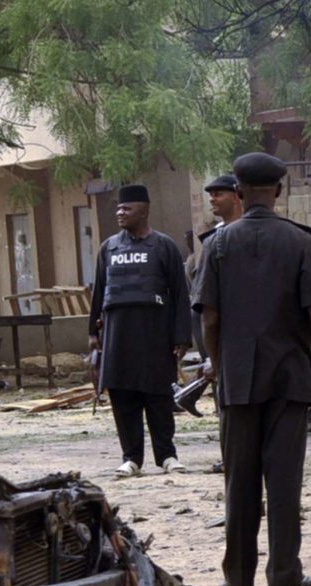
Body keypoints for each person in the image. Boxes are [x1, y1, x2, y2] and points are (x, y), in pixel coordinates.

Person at [194, 152, 311, 586]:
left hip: (236, 380)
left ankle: (237, 577)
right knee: (283, 480)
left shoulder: (215, 246)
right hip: (289, 377)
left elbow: (210, 320)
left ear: (237, 192)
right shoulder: (302, 243)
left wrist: (219, 367)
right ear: (279, 190)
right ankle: (284, 574)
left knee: (239, 482)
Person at [89, 184, 192, 477]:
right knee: (122, 397)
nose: (120, 213)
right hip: (117, 337)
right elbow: (98, 293)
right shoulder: (109, 247)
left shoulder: (164, 246)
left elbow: (180, 295)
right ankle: (131, 458)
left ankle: (167, 457)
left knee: (158, 396)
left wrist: (182, 337)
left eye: (127, 208)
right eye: (118, 209)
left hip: (155, 335)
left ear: (144, 210)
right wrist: (92, 335)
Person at [190, 173, 244, 471]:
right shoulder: (212, 241)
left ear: (237, 196)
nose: (213, 199)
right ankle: (231, 458)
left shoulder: (242, 237)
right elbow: (205, 304)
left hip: (240, 338)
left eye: (219, 194)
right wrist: (210, 355)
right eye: (210, 194)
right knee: (226, 405)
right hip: (220, 341)